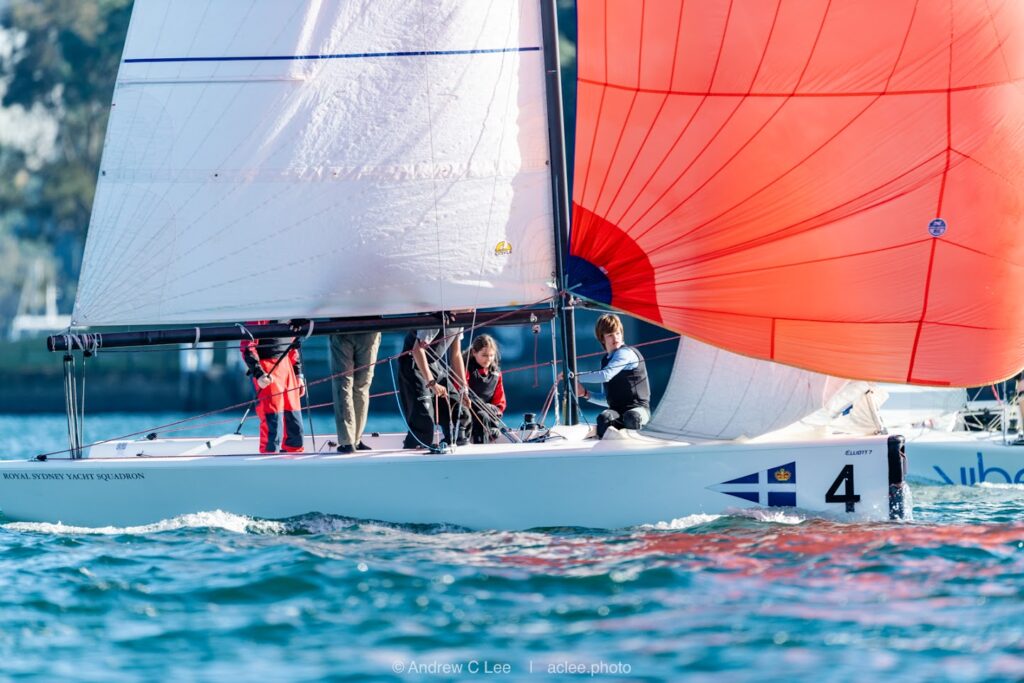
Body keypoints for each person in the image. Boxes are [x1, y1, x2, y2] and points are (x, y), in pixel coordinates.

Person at [574, 313, 651, 439]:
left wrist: (575, 376)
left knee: (631, 417)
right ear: (602, 339)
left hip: (639, 411)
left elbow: (605, 375)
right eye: (610, 335)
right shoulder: (605, 361)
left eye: (618, 333)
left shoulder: (626, 353)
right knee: (604, 419)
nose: (615, 338)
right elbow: (607, 399)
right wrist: (586, 394)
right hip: (618, 412)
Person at [397, 324, 467, 450]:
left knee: (460, 411)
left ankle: (451, 447)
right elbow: (417, 350)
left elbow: (456, 354)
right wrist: (432, 383)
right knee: (424, 421)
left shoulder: (459, 320)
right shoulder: (436, 320)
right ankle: (414, 451)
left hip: (433, 364)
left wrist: (464, 390)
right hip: (413, 363)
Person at [240, 321, 306, 453]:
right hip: (267, 371)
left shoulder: (290, 317)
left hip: (288, 368)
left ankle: (294, 455)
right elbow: (247, 347)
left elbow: (293, 347)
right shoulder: (258, 317)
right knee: (272, 422)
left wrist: (298, 375)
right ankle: (269, 455)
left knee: (295, 424)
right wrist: (259, 374)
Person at [328, 331, 381, 454]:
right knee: (361, 388)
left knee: (343, 385)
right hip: (370, 331)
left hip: (341, 330)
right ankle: (355, 440)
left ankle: (348, 441)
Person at [460, 334, 507, 443]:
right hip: (468, 412)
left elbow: (500, 402)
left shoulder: (496, 373)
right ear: (474, 352)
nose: (489, 359)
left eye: (491, 355)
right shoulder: (465, 369)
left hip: (489, 413)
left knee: (484, 415)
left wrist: (494, 410)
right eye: (484, 355)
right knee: (482, 415)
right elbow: (459, 391)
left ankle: (489, 431)